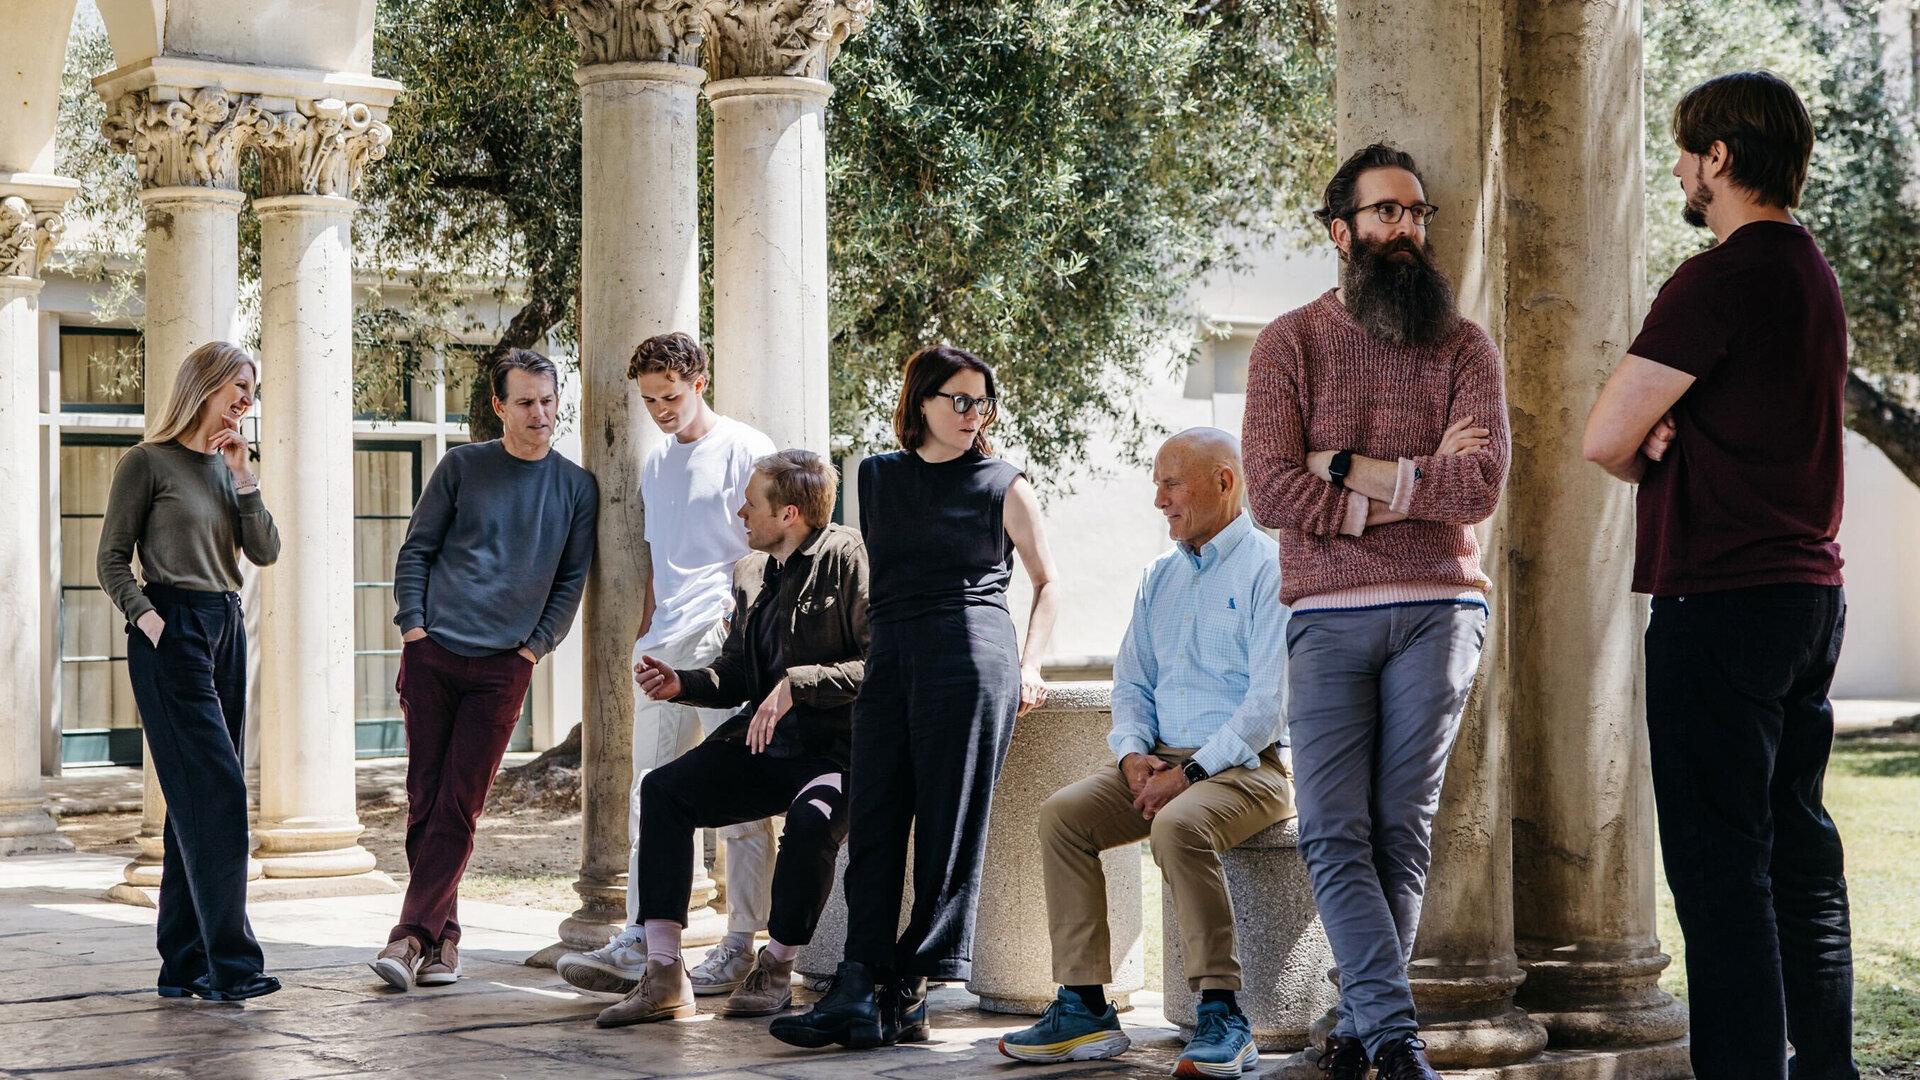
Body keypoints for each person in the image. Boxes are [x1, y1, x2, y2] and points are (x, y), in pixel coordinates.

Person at [1582, 72, 1855, 1080]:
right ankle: (1826, 1068)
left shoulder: (1720, 278)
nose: (1682, 171)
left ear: (1722, 160)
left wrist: (1653, 434)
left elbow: (1604, 437)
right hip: (1807, 598)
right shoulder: (1811, 275)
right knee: (1800, 859)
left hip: (1722, 600)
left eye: (1689, 152)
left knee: (1719, 872)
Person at [1241, 143, 1509, 1080]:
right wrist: (1411, 483)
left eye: (1416, 213)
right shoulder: (1289, 343)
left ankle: (1368, 1032)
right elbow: (1271, 492)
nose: (1405, 228)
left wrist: (1348, 466)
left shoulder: (1465, 345)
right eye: (1386, 212)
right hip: (1326, 617)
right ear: (1340, 230)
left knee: (1401, 826)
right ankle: (1390, 1036)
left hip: (1440, 612)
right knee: (1330, 828)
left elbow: (1478, 486)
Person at [770, 344, 1060, 1050]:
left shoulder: (1004, 484)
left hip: (971, 657)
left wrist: (1032, 665)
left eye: (982, 402)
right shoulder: (878, 476)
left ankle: (907, 987)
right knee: (872, 823)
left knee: (947, 831)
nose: (971, 414)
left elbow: (1048, 583)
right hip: (893, 656)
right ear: (921, 402)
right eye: (957, 399)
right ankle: (859, 984)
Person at [998, 428, 1291, 1079]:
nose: (1158, 499)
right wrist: (1133, 756)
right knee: (1063, 816)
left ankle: (1223, 1014)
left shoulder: (1269, 570)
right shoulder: (1157, 577)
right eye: (1157, 483)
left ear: (1224, 481)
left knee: (1178, 824)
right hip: (1159, 761)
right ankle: (1084, 1007)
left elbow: (1266, 705)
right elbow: (1132, 683)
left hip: (1247, 767)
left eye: (1171, 482)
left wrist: (1187, 774)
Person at [592, 450, 869, 1028]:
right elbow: (738, 675)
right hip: (764, 746)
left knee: (812, 825)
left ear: (789, 512)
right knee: (665, 791)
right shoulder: (748, 573)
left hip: (837, 751)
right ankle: (665, 974)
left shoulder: (848, 557)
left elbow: (881, 663)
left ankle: (775, 966)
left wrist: (800, 684)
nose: (740, 511)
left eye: (752, 501)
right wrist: (681, 684)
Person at [556, 331, 778, 999]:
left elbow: (771, 549)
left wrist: (749, 637)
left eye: (671, 396)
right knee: (650, 794)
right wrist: (646, 631)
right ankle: (642, 940)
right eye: (650, 399)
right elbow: (659, 557)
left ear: (700, 381)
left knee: (739, 797)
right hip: (663, 643)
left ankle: (743, 941)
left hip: (725, 641)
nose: (660, 410)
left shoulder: (747, 448)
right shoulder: (656, 463)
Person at [371, 349, 598, 992]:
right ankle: (443, 941)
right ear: (499, 407)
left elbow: (570, 579)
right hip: (434, 653)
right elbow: (417, 550)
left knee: (460, 804)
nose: (540, 414)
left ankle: (408, 935)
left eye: (548, 401)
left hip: (504, 667)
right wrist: (413, 627)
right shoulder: (463, 466)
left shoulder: (576, 488)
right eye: (525, 402)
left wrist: (534, 647)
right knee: (426, 799)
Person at [97, 340, 282, 1002]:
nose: (246, 400)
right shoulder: (147, 463)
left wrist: (245, 480)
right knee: (221, 796)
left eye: (251, 391)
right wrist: (150, 620)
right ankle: (233, 965)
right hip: (171, 629)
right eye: (239, 386)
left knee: (192, 805)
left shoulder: (226, 468)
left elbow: (265, 550)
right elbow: (112, 558)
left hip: (226, 626)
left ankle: (183, 965)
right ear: (204, 385)